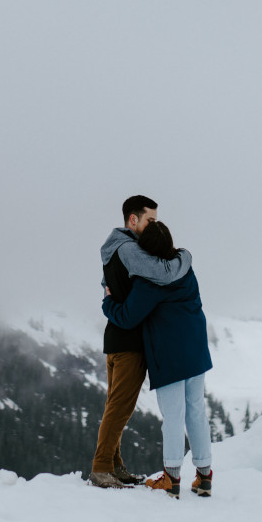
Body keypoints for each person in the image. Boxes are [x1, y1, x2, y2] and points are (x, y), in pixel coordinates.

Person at [101, 220, 213, 499]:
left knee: (173, 416)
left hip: (169, 355)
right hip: (196, 348)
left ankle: (172, 479)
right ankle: (204, 477)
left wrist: (107, 302)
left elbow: (127, 317)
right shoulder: (185, 267)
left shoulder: (148, 282)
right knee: (196, 411)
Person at [89, 195, 194, 490]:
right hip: (129, 342)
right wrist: (185, 256)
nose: (153, 226)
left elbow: (107, 286)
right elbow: (162, 272)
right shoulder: (130, 249)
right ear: (132, 220)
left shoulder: (111, 247)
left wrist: (109, 302)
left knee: (115, 405)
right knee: (120, 408)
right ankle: (100, 468)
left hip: (114, 336)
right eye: (150, 220)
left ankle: (115, 466)